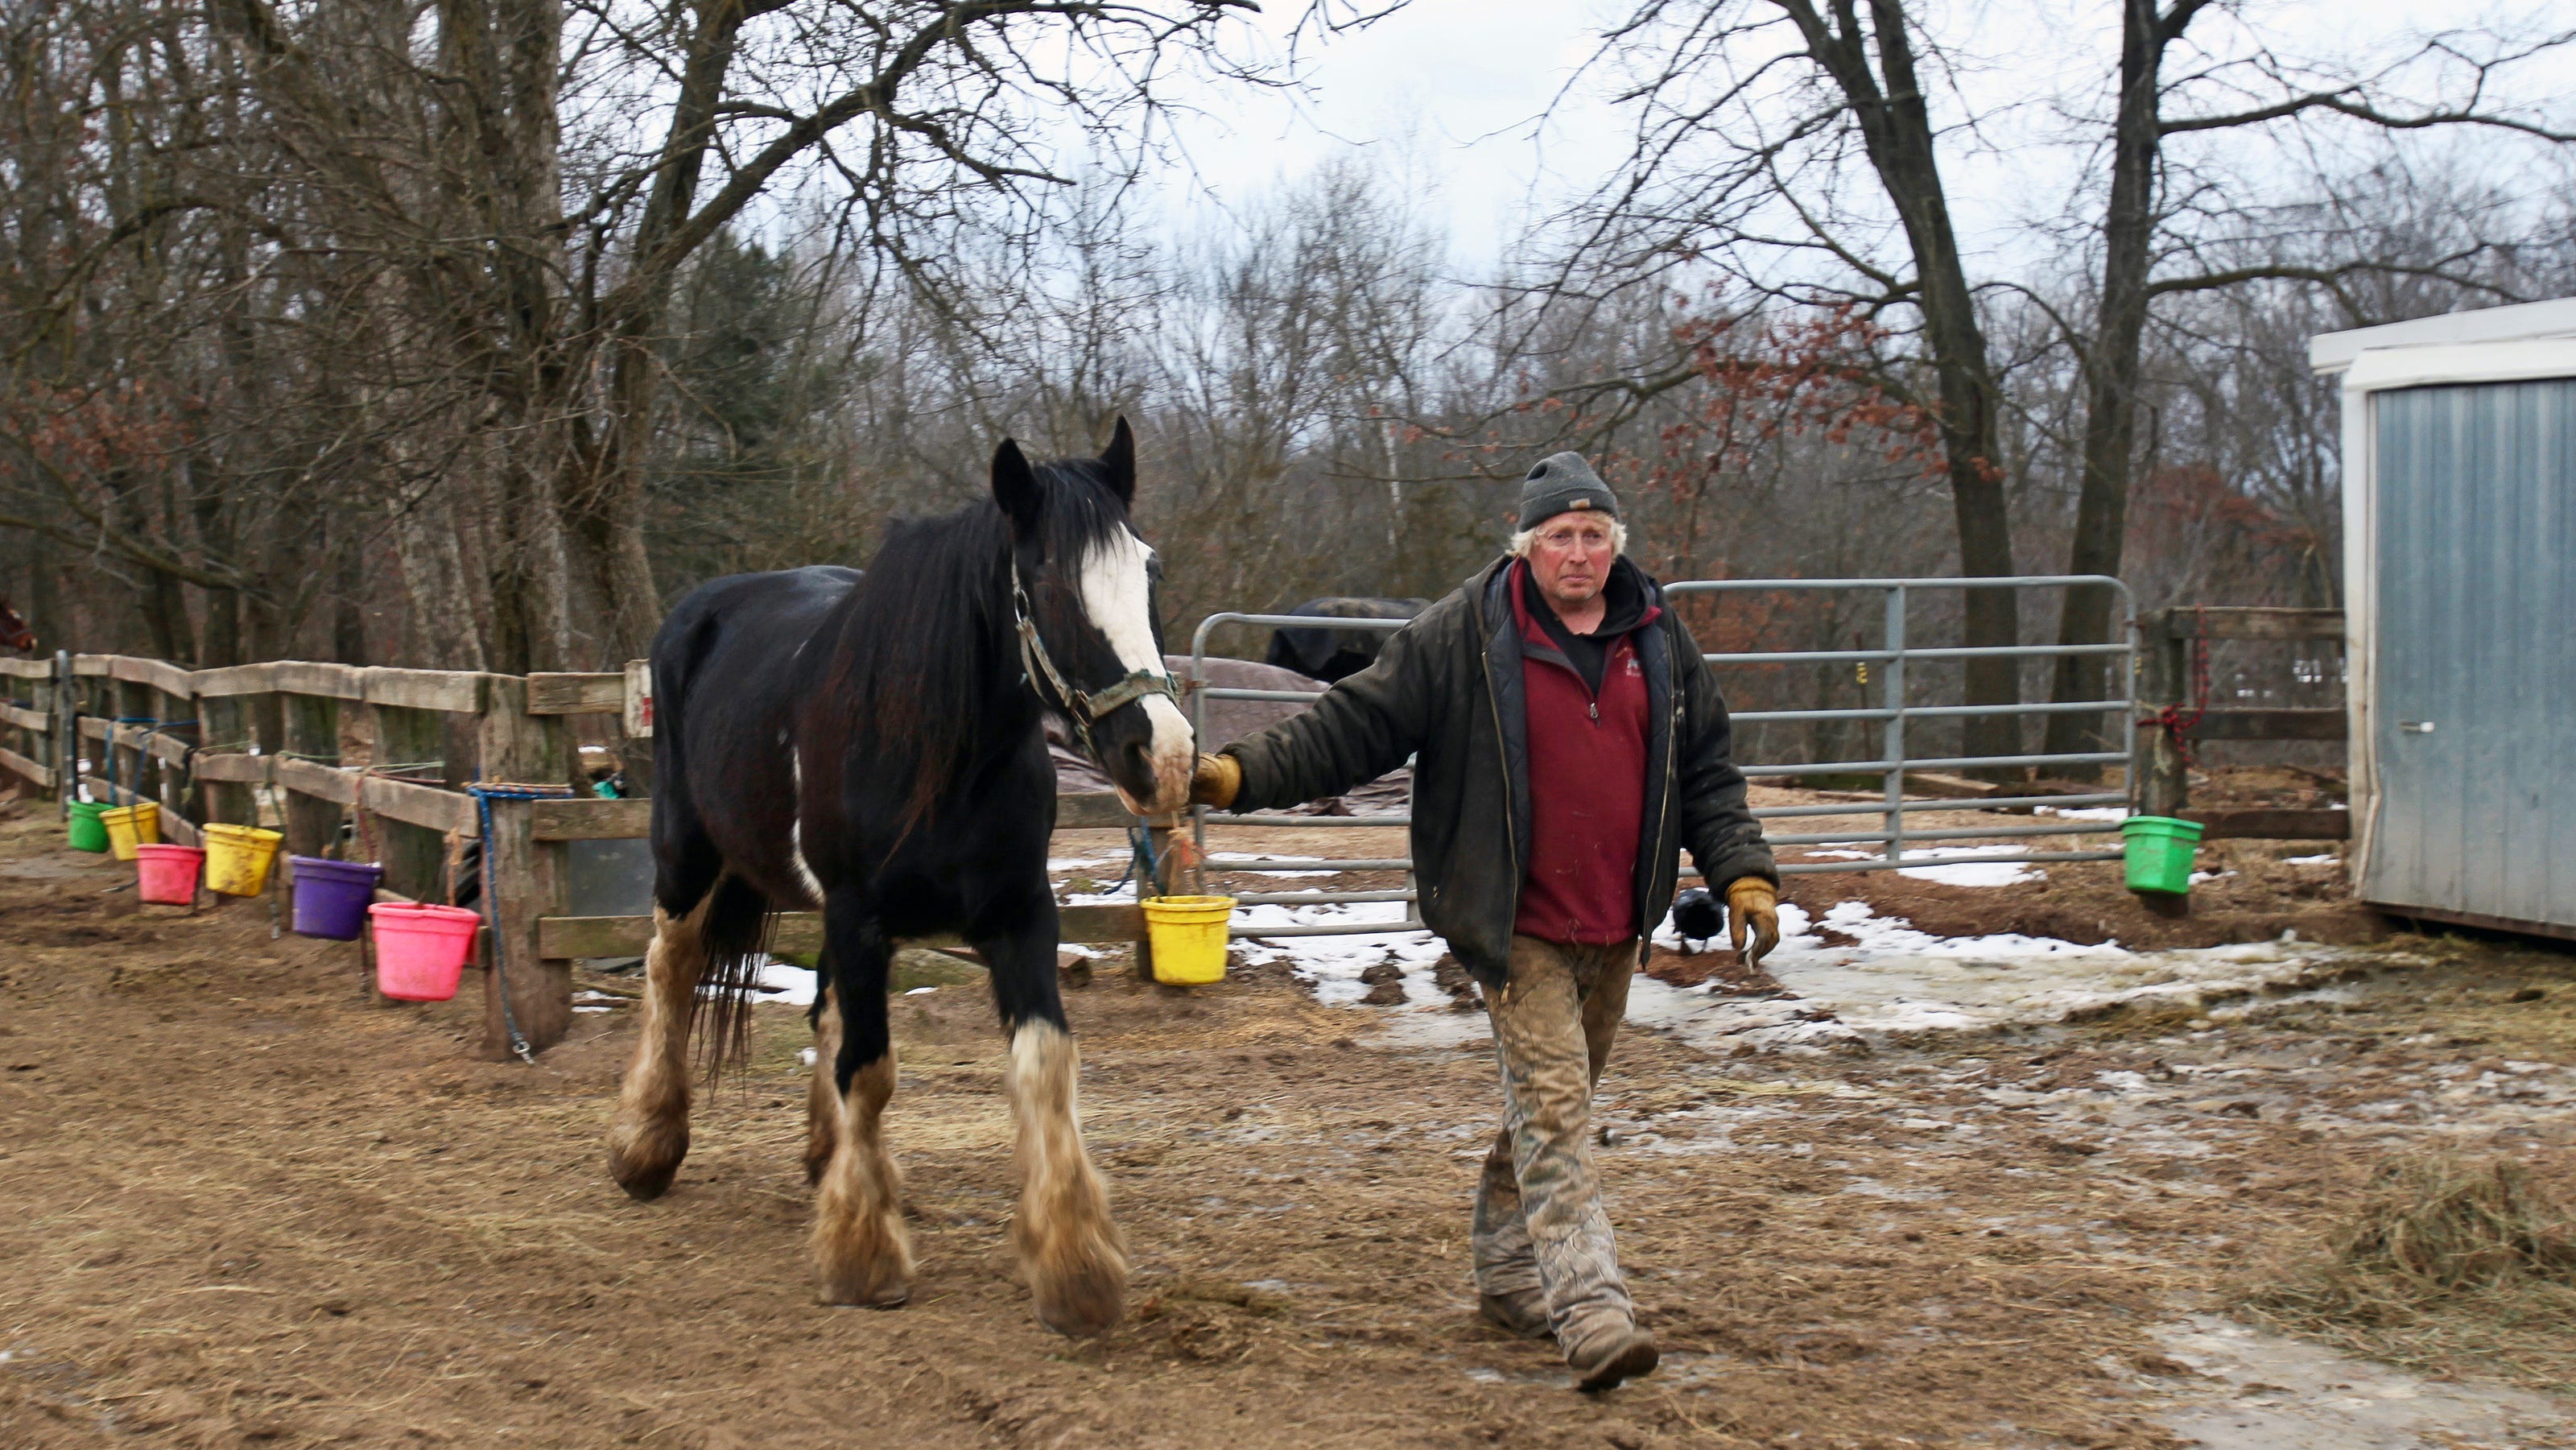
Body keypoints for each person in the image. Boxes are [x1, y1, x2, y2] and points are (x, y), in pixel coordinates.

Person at [1190, 452, 1779, 1391]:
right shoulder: (1462, 633)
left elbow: (1704, 765)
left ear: (1613, 544)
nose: (1577, 552)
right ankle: (1588, 1308)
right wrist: (1237, 773)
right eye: (1558, 536)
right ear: (1527, 544)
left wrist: (1742, 869)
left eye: (1592, 535)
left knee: (1554, 1103)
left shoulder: (1659, 636)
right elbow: (1351, 725)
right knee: (1556, 1109)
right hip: (1513, 922)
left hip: (1617, 920)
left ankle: (1507, 1277)